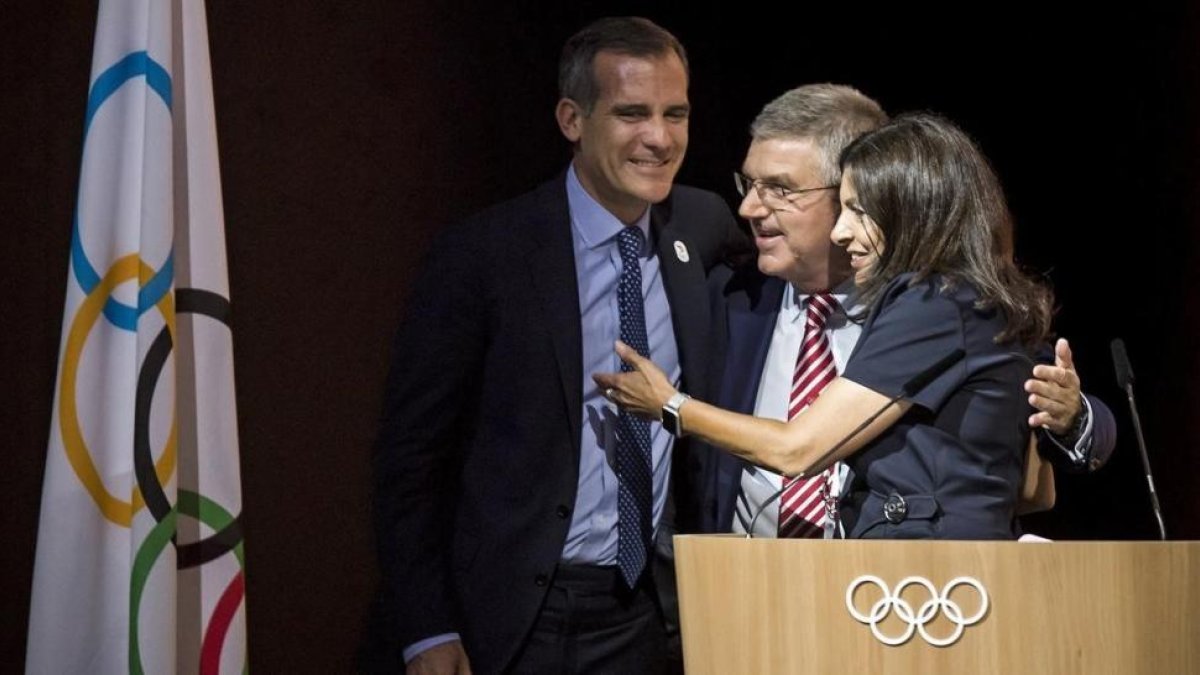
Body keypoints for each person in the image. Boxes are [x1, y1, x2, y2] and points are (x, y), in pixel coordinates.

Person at [366, 17, 743, 675]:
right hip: (516, 618)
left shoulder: (705, 226)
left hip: (652, 614)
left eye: (674, 113)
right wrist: (425, 626)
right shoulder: (485, 254)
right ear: (573, 119)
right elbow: (410, 459)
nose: (659, 137)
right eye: (632, 113)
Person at [597, 112, 1102, 540]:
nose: (841, 231)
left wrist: (669, 405)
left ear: (911, 212)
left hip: (923, 591)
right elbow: (1033, 490)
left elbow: (798, 449)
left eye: (859, 211)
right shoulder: (978, 297)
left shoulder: (936, 301)